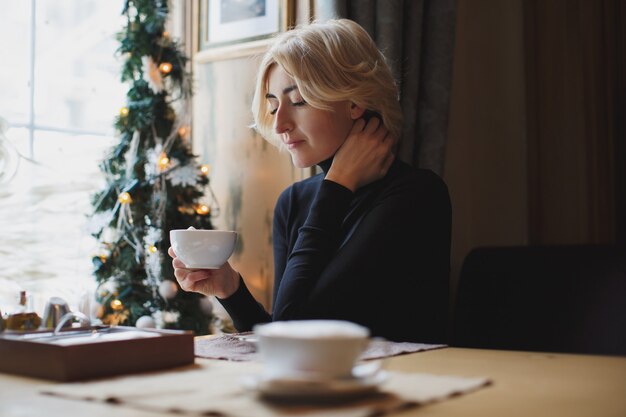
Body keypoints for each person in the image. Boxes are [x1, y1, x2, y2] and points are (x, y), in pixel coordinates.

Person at [168, 18, 451, 343]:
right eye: (273, 106)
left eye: (299, 101)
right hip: (321, 386)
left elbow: (295, 329)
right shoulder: (295, 201)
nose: (279, 125)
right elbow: (285, 334)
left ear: (354, 102)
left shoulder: (417, 195)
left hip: (407, 386)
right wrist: (230, 290)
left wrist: (337, 184)